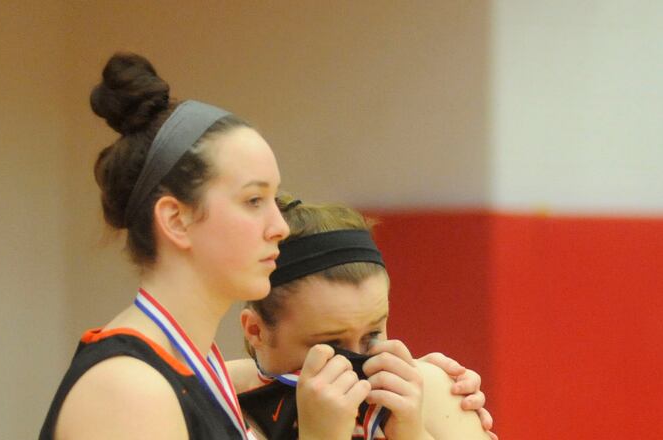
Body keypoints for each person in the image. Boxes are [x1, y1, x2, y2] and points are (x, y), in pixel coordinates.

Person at [40, 52, 291, 439]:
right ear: (176, 220)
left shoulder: (198, 367)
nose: (279, 227)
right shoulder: (129, 392)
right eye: (254, 201)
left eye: (275, 200)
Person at [233, 196, 497, 439]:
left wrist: (413, 433)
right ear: (256, 331)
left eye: (372, 335)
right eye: (332, 344)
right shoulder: (213, 403)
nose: (356, 360)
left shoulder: (429, 392)